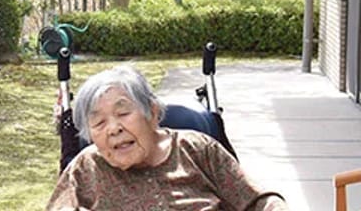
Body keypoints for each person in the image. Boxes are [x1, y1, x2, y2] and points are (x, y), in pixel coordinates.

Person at [48, 66, 287, 210]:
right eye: (99, 122)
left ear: (153, 113)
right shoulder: (85, 168)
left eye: (122, 113)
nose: (113, 129)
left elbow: (259, 201)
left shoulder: (197, 149)